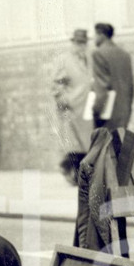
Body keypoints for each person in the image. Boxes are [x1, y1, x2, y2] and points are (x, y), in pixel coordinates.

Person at [52, 28, 94, 185]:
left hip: (87, 106)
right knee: (73, 144)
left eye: (83, 43)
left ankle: (82, 176)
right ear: (73, 43)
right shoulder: (64, 60)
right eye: (78, 43)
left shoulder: (89, 59)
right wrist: (64, 101)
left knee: (86, 143)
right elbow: (56, 84)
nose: (81, 46)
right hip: (72, 108)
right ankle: (72, 174)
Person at [91, 22, 134, 130]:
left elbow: (101, 88)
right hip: (124, 114)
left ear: (101, 35)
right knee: (119, 146)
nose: (93, 38)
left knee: (103, 146)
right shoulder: (125, 55)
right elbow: (131, 87)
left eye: (95, 35)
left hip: (106, 116)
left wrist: (95, 112)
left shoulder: (98, 54)